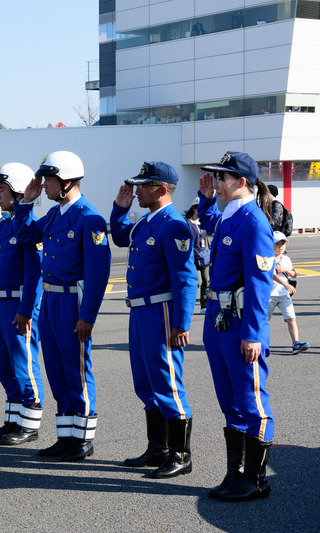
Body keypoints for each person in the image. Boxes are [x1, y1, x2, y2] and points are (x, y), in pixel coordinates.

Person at [14, 151, 111, 462]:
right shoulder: (55, 216)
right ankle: (66, 436)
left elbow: (98, 275)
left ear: (67, 182)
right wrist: (25, 203)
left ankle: (82, 440)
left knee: (77, 371)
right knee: (56, 370)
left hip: (72, 301)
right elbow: (26, 235)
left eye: (49, 179)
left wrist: (87, 316)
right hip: (51, 299)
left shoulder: (89, 217)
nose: (43, 185)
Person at [111, 162, 198, 478]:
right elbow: (121, 236)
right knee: (145, 382)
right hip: (140, 311)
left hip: (161, 312)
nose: (137, 191)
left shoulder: (173, 225)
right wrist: (119, 208)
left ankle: (180, 454)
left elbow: (186, 278)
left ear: (162, 189)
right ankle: (158, 448)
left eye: (143, 186)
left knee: (167, 382)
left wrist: (181, 323)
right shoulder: (148, 222)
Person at [197, 151, 275, 502]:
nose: (216, 183)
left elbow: (260, 283)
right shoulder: (231, 215)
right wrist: (205, 199)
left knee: (251, 400)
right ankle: (236, 473)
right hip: (219, 320)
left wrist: (253, 333)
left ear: (241, 182)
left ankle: (256, 480)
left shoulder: (254, 222)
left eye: (222, 178)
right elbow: (212, 221)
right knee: (229, 400)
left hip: (242, 323)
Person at [0, 162, 44, 445]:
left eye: (1, 189)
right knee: (5, 366)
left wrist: (26, 311)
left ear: (16, 192)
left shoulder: (28, 228)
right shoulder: (2, 224)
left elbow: (33, 274)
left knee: (23, 364)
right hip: (0, 305)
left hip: (18, 305)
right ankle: (13, 421)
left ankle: (30, 424)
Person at [268, 231, 310, 355]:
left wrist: (285, 269)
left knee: (291, 318)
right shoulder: (267, 258)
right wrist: (286, 284)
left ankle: (296, 343)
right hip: (269, 294)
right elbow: (272, 275)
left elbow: (294, 274)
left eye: (283, 244)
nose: (280, 247)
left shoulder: (286, 259)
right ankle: (260, 343)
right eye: (277, 244)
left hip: (284, 294)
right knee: (264, 320)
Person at [185, 198, 210, 314]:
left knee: (207, 281)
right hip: (194, 257)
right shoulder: (188, 223)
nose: (199, 210)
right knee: (197, 282)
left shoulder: (204, 222)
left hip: (205, 256)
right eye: (197, 207)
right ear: (194, 208)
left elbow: (206, 240)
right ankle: (187, 304)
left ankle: (204, 306)